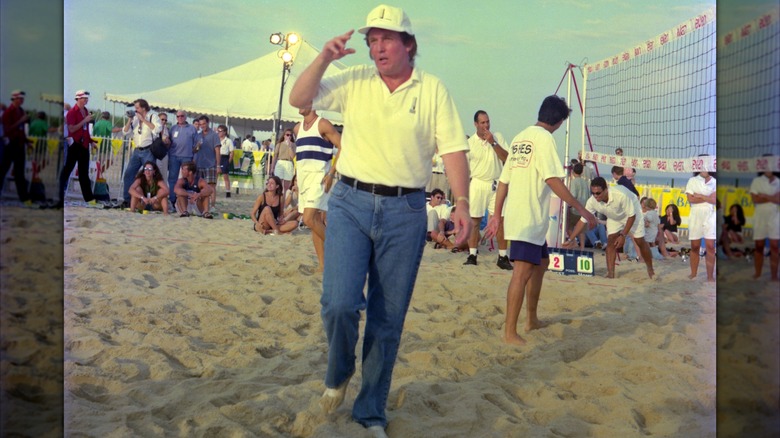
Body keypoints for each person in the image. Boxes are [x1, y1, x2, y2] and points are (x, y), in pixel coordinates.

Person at [288, 4, 471, 435]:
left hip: (405, 209)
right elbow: (300, 99)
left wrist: (461, 203)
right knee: (338, 303)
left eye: (387, 38)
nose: (378, 47)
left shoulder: (433, 90)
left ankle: (370, 412)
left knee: (388, 319)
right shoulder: (356, 81)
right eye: (372, 40)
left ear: (409, 44)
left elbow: (453, 151)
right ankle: (338, 375)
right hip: (351, 200)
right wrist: (324, 57)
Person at [483, 95, 597, 346]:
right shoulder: (544, 139)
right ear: (558, 122)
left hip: (523, 216)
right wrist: (582, 209)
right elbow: (553, 180)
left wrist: (496, 215)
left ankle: (531, 319)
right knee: (521, 273)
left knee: (543, 263)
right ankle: (510, 332)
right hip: (528, 217)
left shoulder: (521, 136)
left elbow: (504, 180)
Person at [567, 177, 655, 279]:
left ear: (606, 189)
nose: (595, 196)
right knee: (611, 241)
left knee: (639, 241)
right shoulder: (592, 201)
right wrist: (570, 239)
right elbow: (582, 221)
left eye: (598, 193)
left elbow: (631, 216)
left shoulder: (620, 195)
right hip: (614, 217)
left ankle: (650, 268)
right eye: (593, 193)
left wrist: (623, 235)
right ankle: (610, 274)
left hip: (632, 213)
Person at [293, 107, 342, 271]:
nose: (299, 105)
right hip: (303, 180)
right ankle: (323, 266)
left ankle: (342, 250)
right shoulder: (297, 128)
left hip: (319, 178)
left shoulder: (323, 124)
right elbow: (301, 157)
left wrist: (331, 173)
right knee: (316, 222)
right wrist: (296, 179)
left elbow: (344, 146)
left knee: (308, 219)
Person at [463, 110, 512, 269]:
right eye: (482, 122)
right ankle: (472, 254)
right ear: (476, 124)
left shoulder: (498, 137)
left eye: (488, 122)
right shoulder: (470, 143)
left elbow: (506, 158)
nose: (486, 125)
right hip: (477, 183)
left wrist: (493, 142)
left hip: (496, 183)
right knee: (474, 221)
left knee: (500, 220)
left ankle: (503, 257)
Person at [57, 90, 97, 207]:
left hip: (84, 145)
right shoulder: (71, 113)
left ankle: (89, 199)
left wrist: (90, 141)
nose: (86, 100)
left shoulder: (85, 111)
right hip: (74, 144)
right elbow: (72, 129)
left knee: (83, 173)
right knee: (67, 170)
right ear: (78, 98)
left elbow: (85, 130)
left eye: (87, 98)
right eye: (84, 98)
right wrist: (84, 120)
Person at [121, 98, 161, 206]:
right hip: (137, 150)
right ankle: (127, 200)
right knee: (128, 174)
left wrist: (143, 120)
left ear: (144, 108)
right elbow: (125, 132)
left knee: (150, 176)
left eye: (137, 108)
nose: (136, 110)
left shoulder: (153, 116)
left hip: (148, 150)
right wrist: (130, 119)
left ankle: (151, 202)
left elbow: (157, 130)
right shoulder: (135, 118)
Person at [684, 168, 717, 281]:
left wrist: (701, 196)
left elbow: (715, 200)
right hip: (695, 214)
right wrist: (708, 198)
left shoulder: (715, 181)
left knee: (711, 247)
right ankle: (693, 273)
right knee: (695, 246)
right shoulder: (692, 180)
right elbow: (690, 199)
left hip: (710, 214)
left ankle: (710, 276)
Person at [0, 90, 31, 203]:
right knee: (3, 170)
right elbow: (7, 130)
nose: (22, 100)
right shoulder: (8, 112)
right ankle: (24, 197)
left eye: (22, 98)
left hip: (19, 144)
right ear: (14, 99)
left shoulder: (20, 110)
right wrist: (20, 121)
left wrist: (27, 141)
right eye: (20, 98)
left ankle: (24, 198)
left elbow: (21, 130)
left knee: (19, 172)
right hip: (10, 145)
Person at [749, 169, 779, 280]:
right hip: (760, 217)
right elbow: (755, 199)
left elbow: (779, 200)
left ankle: (774, 276)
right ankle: (758, 273)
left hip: (775, 217)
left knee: (775, 247)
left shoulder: (778, 181)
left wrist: (764, 196)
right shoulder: (757, 181)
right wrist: (772, 197)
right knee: (759, 246)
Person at [167, 111, 198, 205]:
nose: (180, 118)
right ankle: (173, 200)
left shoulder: (192, 128)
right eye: (178, 116)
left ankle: (186, 199)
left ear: (185, 117)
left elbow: (196, 145)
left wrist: (194, 158)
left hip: (187, 157)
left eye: (182, 116)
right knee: (172, 178)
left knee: (187, 179)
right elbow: (169, 143)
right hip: (174, 156)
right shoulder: (173, 128)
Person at [193, 116, 220, 216]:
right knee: (200, 187)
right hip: (199, 164)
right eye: (200, 124)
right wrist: (197, 147)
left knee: (211, 186)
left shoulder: (214, 135)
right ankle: (202, 206)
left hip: (211, 164)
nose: (202, 126)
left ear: (208, 123)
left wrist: (218, 166)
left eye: (204, 124)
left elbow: (217, 151)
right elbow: (194, 150)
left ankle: (212, 206)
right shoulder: (198, 135)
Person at [567, 162, 590, 250]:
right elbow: (588, 195)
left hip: (575, 208)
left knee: (569, 227)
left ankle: (574, 242)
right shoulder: (585, 182)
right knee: (582, 230)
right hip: (584, 208)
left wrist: (569, 205)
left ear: (573, 171)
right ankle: (582, 248)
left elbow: (573, 195)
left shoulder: (574, 182)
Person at [271, 128, 296, 193]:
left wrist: (289, 146)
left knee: (287, 185)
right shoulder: (279, 144)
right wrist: (272, 168)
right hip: (280, 162)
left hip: (289, 162)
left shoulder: (293, 145)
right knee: (278, 184)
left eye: (290, 135)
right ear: (284, 135)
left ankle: (285, 200)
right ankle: (278, 199)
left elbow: (293, 156)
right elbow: (275, 156)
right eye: (287, 135)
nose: (289, 136)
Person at [216, 124, 234, 198]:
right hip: (217, 156)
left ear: (225, 132)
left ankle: (228, 191)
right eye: (218, 131)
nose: (219, 132)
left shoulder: (228, 141)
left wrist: (228, 161)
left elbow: (232, 152)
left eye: (220, 131)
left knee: (225, 176)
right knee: (215, 175)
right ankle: (213, 190)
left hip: (224, 157)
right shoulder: (216, 139)